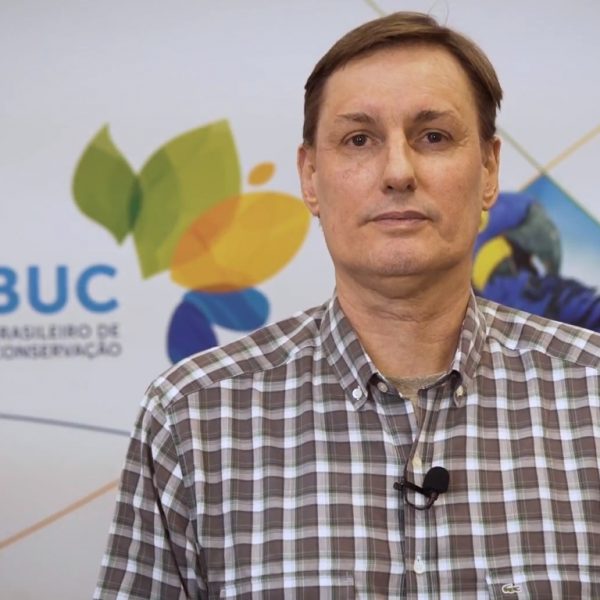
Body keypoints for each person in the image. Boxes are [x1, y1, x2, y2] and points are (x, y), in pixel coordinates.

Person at [94, 11, 600, 599]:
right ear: (310, 176)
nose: (398, 172)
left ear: (489, 169)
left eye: (433, 136)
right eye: (359, 140)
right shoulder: (193, 418)